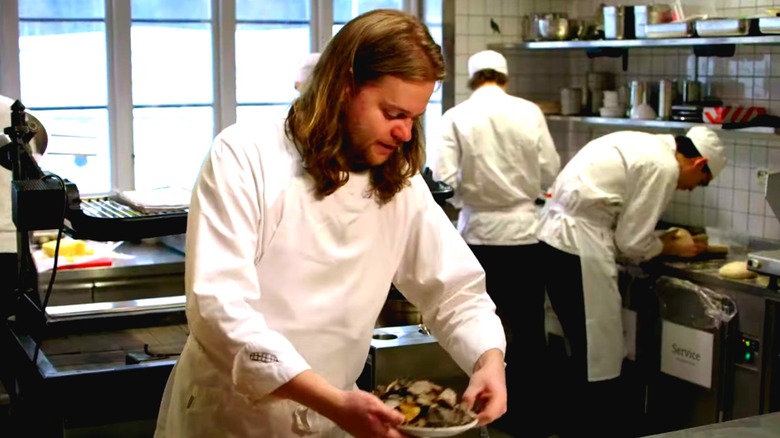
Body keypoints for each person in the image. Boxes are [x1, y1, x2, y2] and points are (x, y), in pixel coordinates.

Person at [154, 9, 507, 438]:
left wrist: (488, 359)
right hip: (234, 417)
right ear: (343, 88)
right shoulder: (245, 154)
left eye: (413, 118)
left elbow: (455, 291)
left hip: (337, 416)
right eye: (393, 113)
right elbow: (219, 310)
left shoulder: (399, 181)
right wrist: (329, 399)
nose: (405, 135)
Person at [536, 126, 727, 437]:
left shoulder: (643, 143)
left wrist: (656, 240)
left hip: (554, 239)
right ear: (698, 162)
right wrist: (671, 245)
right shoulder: (663, 166)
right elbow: (632, 242)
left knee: (586, 349)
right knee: (598, 354)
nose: (692, 189)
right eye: (701, 182)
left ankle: (577, 426)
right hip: (577, 247)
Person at [430, 49, 560, 437]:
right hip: (526, 233)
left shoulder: (456, 116)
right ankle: (530, 420)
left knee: (485, 328)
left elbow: (443, 178)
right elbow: (550, 169)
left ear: (473, 79)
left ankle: (486, 414)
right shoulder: (529, 112)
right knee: (529, 329)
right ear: (504, 77)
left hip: (480, 236)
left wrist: (466, 199)